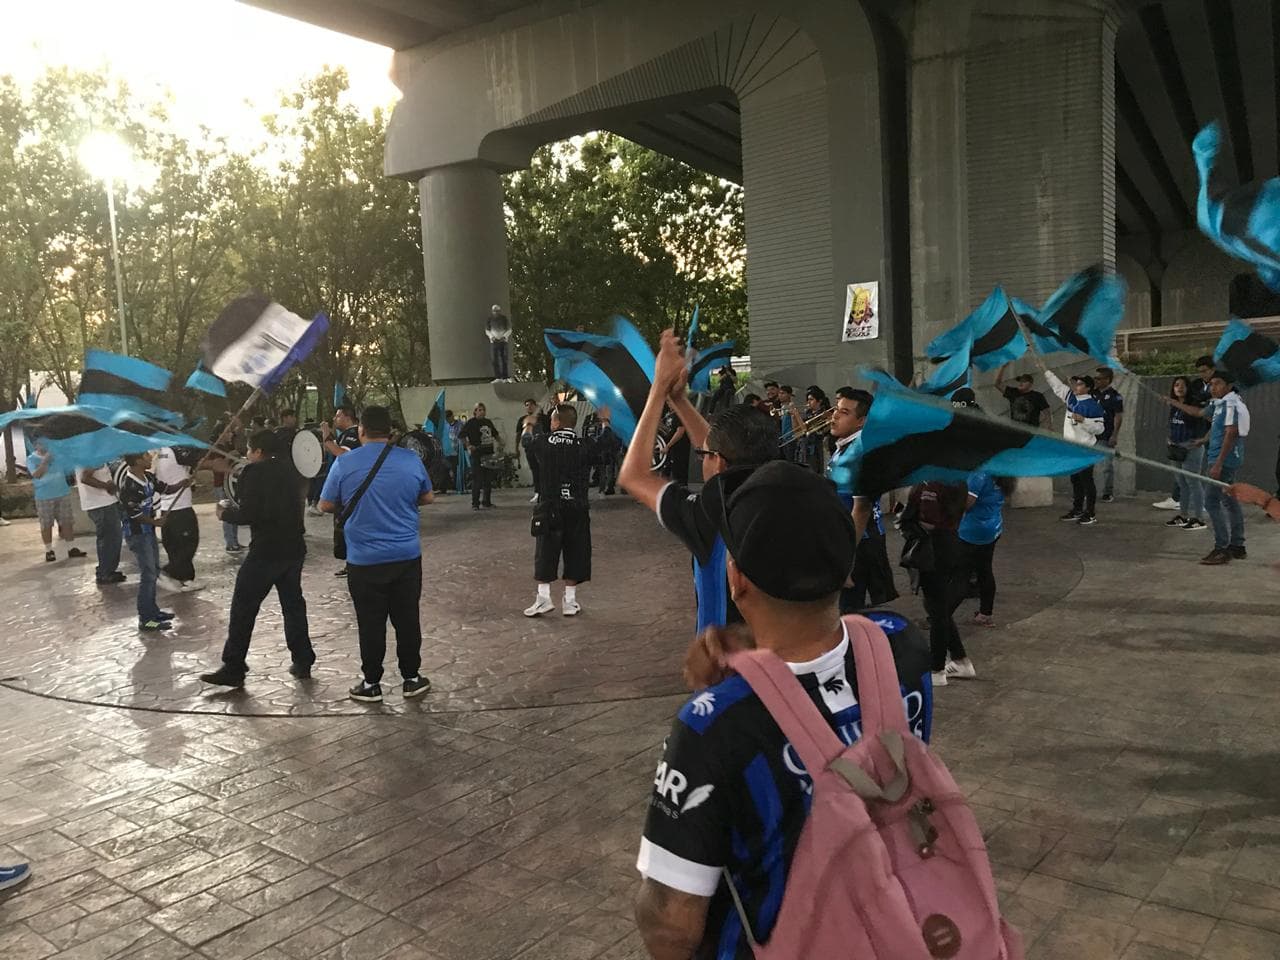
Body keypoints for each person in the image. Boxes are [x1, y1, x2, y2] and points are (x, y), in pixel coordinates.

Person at [633, 461, 932, 960]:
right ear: (848, 569)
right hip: (895, 928)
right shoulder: (903, 647)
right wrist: (750, 643)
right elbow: (838, 634)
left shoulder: (717, 724)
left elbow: (671, 929)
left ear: (736, 579)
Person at [621, 329, 779, 635]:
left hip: (731, 664)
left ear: (717, 461)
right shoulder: (793, 491)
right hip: (794, 660)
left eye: (704, 454)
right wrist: (677, 399)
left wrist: (657, 390)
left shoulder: (712, 513)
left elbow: (634, 475)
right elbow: (719, 445)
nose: (700, 455)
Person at [319, 406, 434, 703]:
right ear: (391, 432)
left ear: (361, 431)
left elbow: (325, 505)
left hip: (364, 560)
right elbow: (427, 497)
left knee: (370, 623)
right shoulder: (410, 460)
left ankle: (371, 683)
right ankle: (411, 679)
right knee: (407, 619)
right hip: (407, 556)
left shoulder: (345, 463)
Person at [200, 430, 313, 688]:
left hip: (266, 551)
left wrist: (224, 513)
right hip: (294, 547)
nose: (248, 454)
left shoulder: (254, 472)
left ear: (258, 451)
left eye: (250, 449)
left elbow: (250, 513)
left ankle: (234, 665)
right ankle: (303, 659)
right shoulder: (292, 470)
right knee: (293, 606)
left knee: (243, 608)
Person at [522, 403, 602, 617]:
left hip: (549, 507)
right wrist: (605, 422)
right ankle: (570, 600)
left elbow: (526, 443)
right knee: (577, 551)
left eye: (552, 419)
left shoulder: (544, 441)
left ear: (557, 421)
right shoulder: (583, 444)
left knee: (545, 551)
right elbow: (605, 449)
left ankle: (544, 598)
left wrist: (528, 425)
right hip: (577, 506)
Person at [1166, 371, 1249, 565]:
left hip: (1224, 460)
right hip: (1219, 458)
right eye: (1211, 384)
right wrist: (1204, 439)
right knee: (1229, 501)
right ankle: (1237, 545)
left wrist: (1218, 464)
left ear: (1229, 385)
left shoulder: (1231, 404)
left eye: (1217, 383)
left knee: (1211, 502)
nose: (1213, 387)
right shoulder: (1219, 403)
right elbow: (1200, 413)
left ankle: (1222, 549)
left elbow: (1231, 433)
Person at [827, 387, 898, 613]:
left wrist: (847, 558)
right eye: (837, 409)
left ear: (861, 421)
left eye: (844, 412)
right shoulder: (844, 446)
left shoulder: (859, 454)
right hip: (847, 537)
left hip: (859, 541)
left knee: (849, 611)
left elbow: (861, 509)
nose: (835, 415)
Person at [116, 451, 186, 631]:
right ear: (138, 460)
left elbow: (165, 489)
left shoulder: (147, 477)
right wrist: (154, 521)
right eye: (147, 456)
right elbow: (134, 513)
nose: (150, 458)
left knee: (153, 570)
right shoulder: (129, 486)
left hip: (148, 532)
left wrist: (182, 484)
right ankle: (146, 619)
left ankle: (153, 611)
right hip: (137, 534)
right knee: (148, 574)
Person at [1043, 370, 1104, 525]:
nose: (1077, 386)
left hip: (1085, 448)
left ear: (1088, 388)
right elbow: (1057, 386)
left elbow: (1100, 429)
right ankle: (1077, 509)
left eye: (1081, 384)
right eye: (1076, 383)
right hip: (1071, 448)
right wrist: (1046, 371)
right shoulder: (1070, 398)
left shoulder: (1093, 405)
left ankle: (1090, 513)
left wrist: (1084, 420)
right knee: (1075, 480)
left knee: (1086, 480)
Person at [959, 472, 1015, 630]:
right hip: (993, 527)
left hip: (972, 531)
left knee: (959, 575)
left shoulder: (980, 475)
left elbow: (967, 504)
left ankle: (940, 616)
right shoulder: (1004, 475)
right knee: (985, 570)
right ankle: (985, 614)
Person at [27, 441, 87, 564]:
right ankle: (49, 550)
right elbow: (37, 475)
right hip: (44, 496)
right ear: (35, 444)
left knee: (67, 521)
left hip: (62, 493)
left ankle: (71, 548)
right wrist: (45, 461)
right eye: (41, 442)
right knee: (46, 524)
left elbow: (68, 468)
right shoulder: (31, 459)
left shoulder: (57, 455)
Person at [153, 446, 201, 592]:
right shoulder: (176, 451)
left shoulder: (158, 452)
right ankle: (168, 572)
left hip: (166, 508)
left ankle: (186, 579)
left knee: (174, 546)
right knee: (188, 543)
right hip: (180, 508)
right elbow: (201, 460)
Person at [1162, 377, 1207, 531]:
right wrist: (1170, 438)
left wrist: (1198, 441)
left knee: (1193, 482)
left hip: (1191, 447)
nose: (1179, 387)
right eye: (1176, 385)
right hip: (1176, 448)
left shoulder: (1194, 404)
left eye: (1182, 385)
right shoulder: (1174, 407)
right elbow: (1173, 424)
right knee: (1182, 483)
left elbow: (1197, 417)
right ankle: (1183, 515)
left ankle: (1199, 518)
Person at [321, 406, 361, 575]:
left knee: (347, 525)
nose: (334, 419)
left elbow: (341, 454)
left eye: (338, 416)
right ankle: (350, 562)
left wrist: (326, 435)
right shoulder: (347, 435)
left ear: (347, 417)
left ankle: (353, 563)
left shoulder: (352, 434)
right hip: (352, 486)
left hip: (350, 488)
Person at [77, 464, 125, 585]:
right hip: (101, 504)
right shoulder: (92, 454)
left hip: (103, 502)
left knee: (111, 538)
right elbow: (85, 478)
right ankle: (105, 572)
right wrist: (107, 486)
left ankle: (107, 570)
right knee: (110, 538)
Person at [208, 418, 245, 552]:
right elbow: (217, 467)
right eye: (227, 432)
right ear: (220, 434)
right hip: (221, 485)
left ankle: (235, 541)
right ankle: (230, 543)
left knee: (234, 512)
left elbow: (239, 429)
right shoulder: (216, 448)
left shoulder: (228, 445)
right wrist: (229, 457)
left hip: (230, 485)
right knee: (226, 513)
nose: (230, 434)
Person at [1093, 366, 1124, 503]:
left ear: (1107, 379)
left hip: (1105, 435)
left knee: (1107, 466)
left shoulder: (1114, 396)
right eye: (1095, 378)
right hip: (1090, 435)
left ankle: (1107, 492)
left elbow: (1118, 416)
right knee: (1087, 466)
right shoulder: (1092, 393)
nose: (1096, 381)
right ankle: (1087, 491)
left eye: (1099, 379)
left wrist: (1114, 435)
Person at [459, 403, 499, 510]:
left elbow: (495, 434)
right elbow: (462, 435)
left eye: (483, 410)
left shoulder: (488, 422)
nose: (482, 412)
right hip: (477, 455)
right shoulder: (471, 423)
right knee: (477, 480)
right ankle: (475, 503)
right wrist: (468, 446)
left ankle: (487, 502)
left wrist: (501, 442)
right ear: (475, 411)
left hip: (489, 454)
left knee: (488, 480)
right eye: (479, 410)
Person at [520, 398, 548, 503]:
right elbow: (519, 435)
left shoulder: (544, 418)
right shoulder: (523, 419)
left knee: (544, 471)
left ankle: (546, 492)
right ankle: (538, 492)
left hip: (543, 449)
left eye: (531, 405)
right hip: (530, 450)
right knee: (535, 471)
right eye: (527, 405)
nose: (529, 407)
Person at [799, 386, 830, 473]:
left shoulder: (824, 414)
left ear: (819, 401)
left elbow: (805, 429)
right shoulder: (807, 413)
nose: (808, 402)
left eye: (811, 399)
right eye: (808, 399)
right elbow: (797, 430)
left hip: (816, 448)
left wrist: (796, 414)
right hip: (804, 446)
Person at [486, 304, 512, 381]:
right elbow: (487, 330)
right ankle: (498, 377)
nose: (496, 312)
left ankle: (505, 377)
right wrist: (491, 337)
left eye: (497, 311)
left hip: (503, 342)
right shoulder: (490, 319)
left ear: (500, 311)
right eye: (494, 311)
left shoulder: (504, 319)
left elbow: (509, 329)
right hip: (494, 342)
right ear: (492, 311)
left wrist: (504, 336)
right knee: (494, 359)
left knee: (504, 359)